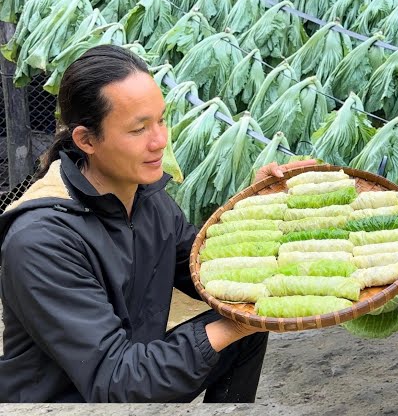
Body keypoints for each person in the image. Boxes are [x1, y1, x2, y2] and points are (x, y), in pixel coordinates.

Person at [0, 45, 316, 403]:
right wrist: (235, 325)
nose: (160, 141)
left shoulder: (147, 199)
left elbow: (208, 268)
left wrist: (260, 205)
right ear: (86, 140)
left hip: (129, 372)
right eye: (138, 130)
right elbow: (115, 380)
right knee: (237, 327)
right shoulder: (41, 241)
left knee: (247, 328)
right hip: (71, 401)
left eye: (161, 120)